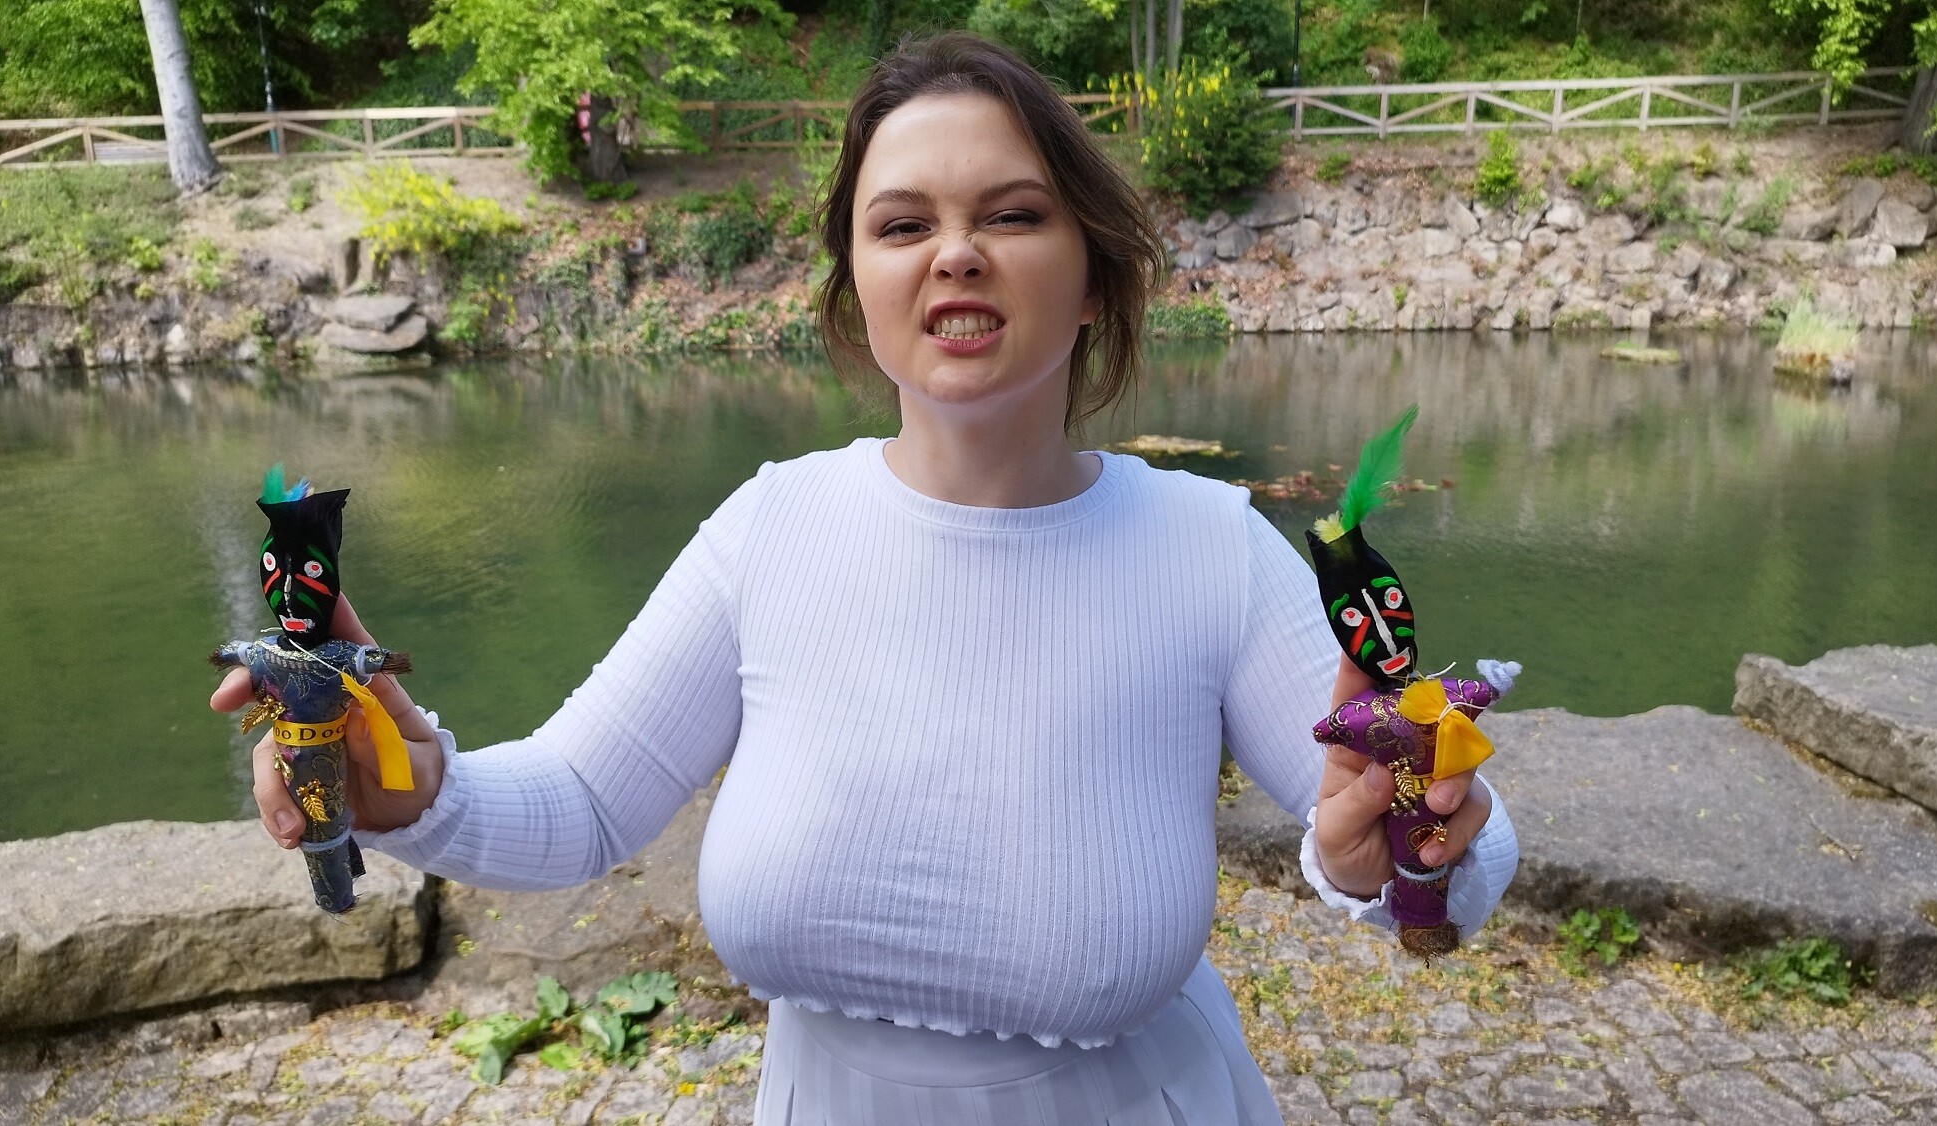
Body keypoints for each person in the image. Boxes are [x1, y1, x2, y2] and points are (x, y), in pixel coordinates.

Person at [211, 32, 1517, 1126]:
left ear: (1093, 278)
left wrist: (1403, 851)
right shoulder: (772, 528)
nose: (956, 253)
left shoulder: (1209, 547)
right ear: (858, 286)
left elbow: (1461, 847)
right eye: (903, 225)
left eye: (1012, 214)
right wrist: (412, 784)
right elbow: (579, 803)